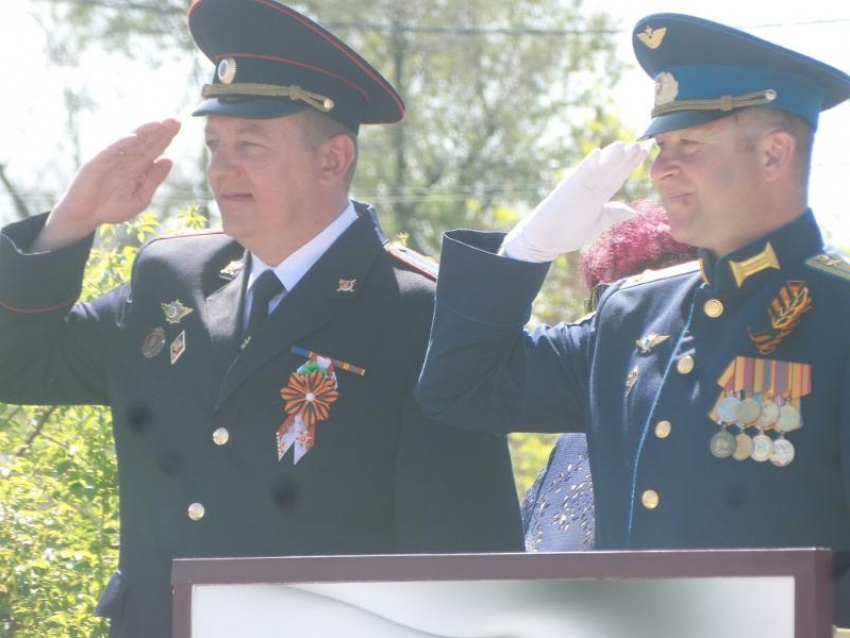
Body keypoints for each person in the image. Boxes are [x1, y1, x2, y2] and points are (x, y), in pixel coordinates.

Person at [0, 1, 522, 636]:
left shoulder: (422, 314)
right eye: (215, 144)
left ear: (333, 159)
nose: (222, 169)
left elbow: (466, 569)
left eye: (251, 144)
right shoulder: (170, 279)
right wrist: (70, 222)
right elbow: (16, 364)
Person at [416, 13, 850, 624]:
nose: (661, 169)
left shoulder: (840, 317)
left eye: (690, 146)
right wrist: (522, 254)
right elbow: (463, 389)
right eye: (661, 148)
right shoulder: (634, 315)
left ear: (776, 153)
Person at [522, 201, 696, 552]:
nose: (619, 314)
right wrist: (522, 250)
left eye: (645, 295)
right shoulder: (573, 437)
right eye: (603, 297)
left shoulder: (695, 419)